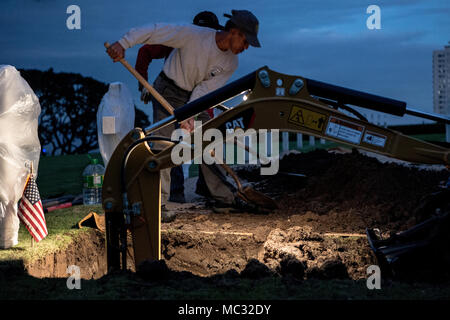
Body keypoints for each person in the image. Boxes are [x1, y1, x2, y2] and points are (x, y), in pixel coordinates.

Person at [106, 9, 261, 220]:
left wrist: (190, 115)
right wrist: (124, 42)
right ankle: (157, 204)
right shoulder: (194, 35)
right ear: (233, 31)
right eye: (245, 41)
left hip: (195, 97)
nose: (245, 47)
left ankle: (224, 199)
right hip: (168, 89)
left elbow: (204, 91)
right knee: (163, 147)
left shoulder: (231, 63)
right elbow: (155, 31)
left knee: (211, 139)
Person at [134, 11, 223, 204]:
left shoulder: (216, 53)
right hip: (168, 94)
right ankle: (168, 197)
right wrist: (143, 83)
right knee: (166, 144)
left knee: (209, 140)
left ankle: (213, 191)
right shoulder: (181, 41)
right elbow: (145, 52)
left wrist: (205, 114)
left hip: (197, 100)